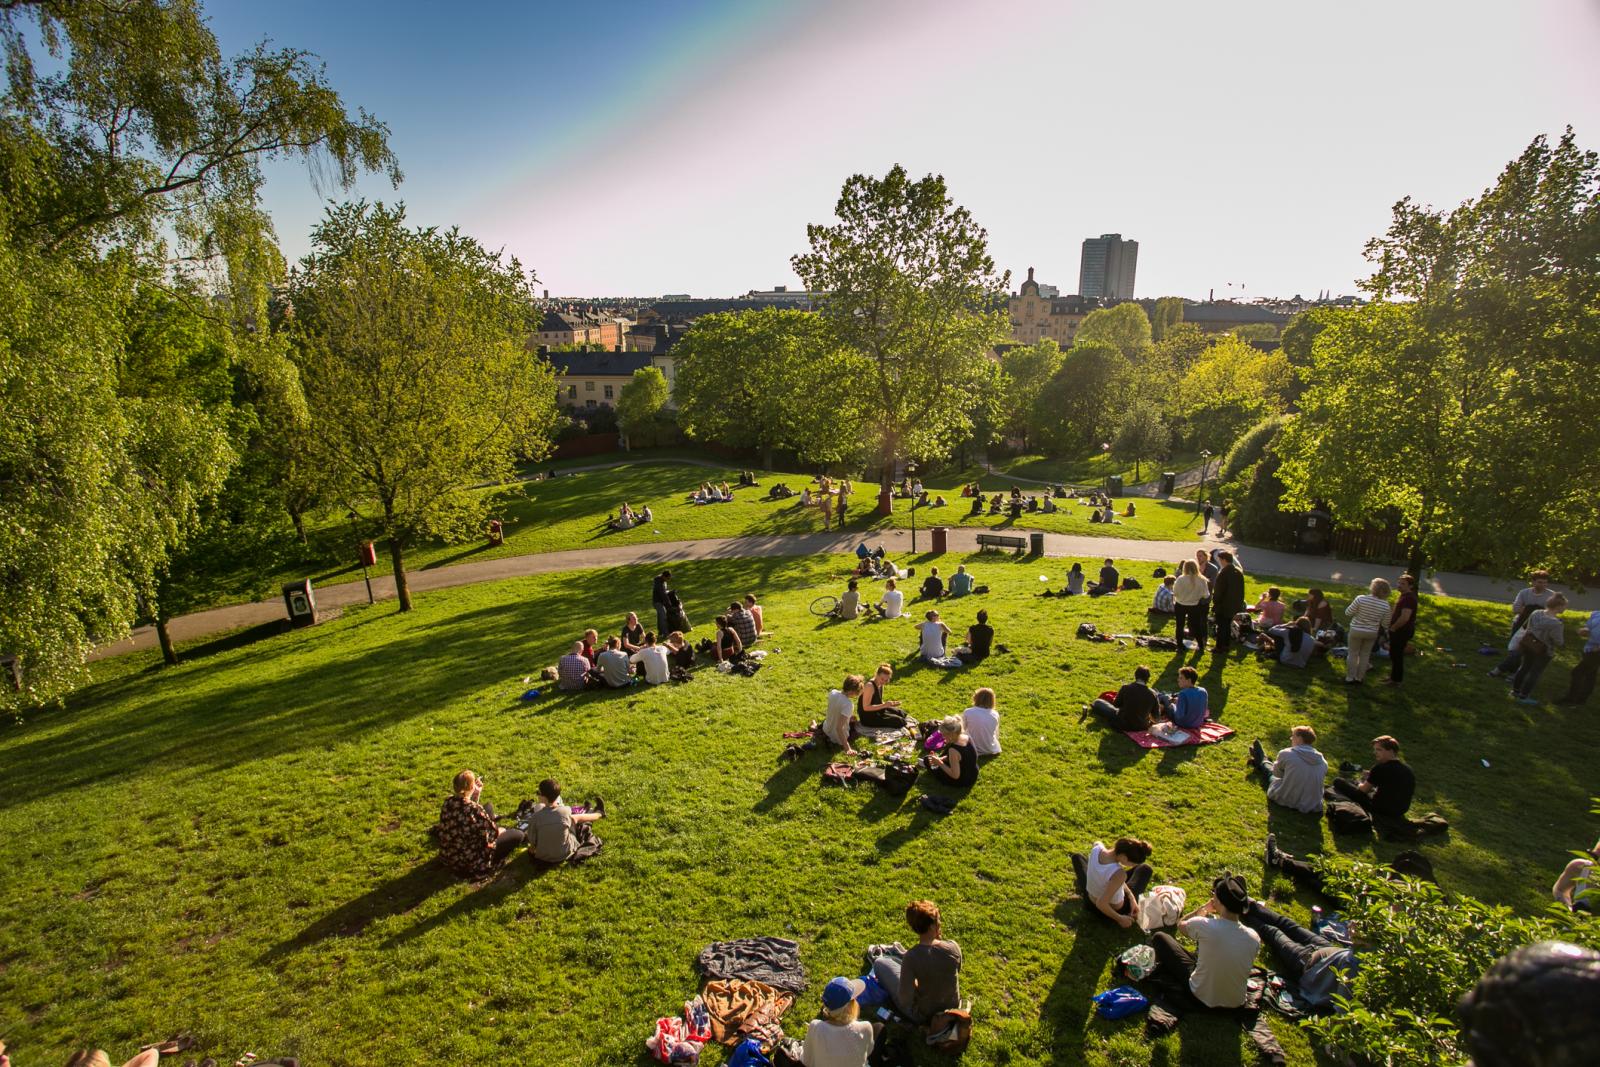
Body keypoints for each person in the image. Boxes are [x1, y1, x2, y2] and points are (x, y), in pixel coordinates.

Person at [1149, 875, 1261, 1010]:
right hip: (1236, 1003)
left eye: (1214, 895)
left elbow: (1181, 925)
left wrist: (1203, 909)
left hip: (1200, 996)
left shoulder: (1204, 925)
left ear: (1218, 901)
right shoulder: (1254, 937)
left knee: (1160, 937)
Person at [1240, 899, 1358, 1012]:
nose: (1351, 927)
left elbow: (1342, 1008)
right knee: (1287, 924)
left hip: (1308, 964)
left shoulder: (1352, 967)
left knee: (1272, 932)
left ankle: (1236, 908)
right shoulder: (1369, 952)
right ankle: (1246, 901)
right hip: (1330, 950)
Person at [870, 901, 963, 1026]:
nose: (940, 923)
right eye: (938, 920)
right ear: (931, 927)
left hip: (924, 1015)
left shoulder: (912, 957)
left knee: (880, 963)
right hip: (953, 1007)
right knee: (901, 963)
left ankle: (889, 959)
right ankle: (897, 958)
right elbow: (955, 970)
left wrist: (914, 984)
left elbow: (905, 1000)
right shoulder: (953, 947)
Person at [438, 770, 524, 877]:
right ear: (470, 787)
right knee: (518, 834)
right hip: (471, 859)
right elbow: (493, 833)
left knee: (488, 807)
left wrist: (476, 793)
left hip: (451, 853)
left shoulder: (448, 801)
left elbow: (469, 814)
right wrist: (501, 830)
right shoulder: (474, 809)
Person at [1072, 837, 1155, 929]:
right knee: (1145, 869)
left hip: (1090, 900)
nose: (1133, 866)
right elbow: (1101, 903)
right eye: (1133, 863)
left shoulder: (1097, 848)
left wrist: (1132, 898)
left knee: (1078, 857)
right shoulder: (1119, 874)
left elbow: (1097, 843)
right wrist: (1120, 919)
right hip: (1110, 910)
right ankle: (1117, 914)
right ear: (1124, 857)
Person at [1330, 735, 1415, 821]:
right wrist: (1372, 777)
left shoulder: (1380, 768)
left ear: (1391, 751)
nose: (1375, 752)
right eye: (1375, 750)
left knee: (1338, 781)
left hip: (1381, 809)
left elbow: (1362, 791)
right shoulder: (1408, 769)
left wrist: (1359, 784)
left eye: (1379, 750)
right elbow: (1392, 783)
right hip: (1401, 810)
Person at [1490, 570, 1555, 679]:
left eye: (1545, 583)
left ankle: (1512, 673)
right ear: (1533, 582)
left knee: (1529, 651)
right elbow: (1516, 609)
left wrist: (1528, 610)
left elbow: (1552, 612)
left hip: (1538, 627)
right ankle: (1511, 670)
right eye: (1540, 582)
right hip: (1520, 624)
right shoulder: (1524, 593)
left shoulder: (1551, 595)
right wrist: (1534, 611)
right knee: (1514, 649)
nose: (1543, 585)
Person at [1249, 726, 1328, 814]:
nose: (1291, 738)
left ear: (1299, 738)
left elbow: (1277, 774)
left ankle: (1263, 760)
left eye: (1293, 736)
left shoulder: (1287, 753)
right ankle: (1264, 760)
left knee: (1271, 774)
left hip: (1287, 799)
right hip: (1311, 805)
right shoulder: (1323, 762)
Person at [801, 977, 876, 1067]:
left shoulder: (816, 1027)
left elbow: (806, 1060)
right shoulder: (866, 1027)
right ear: (851, 1004)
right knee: (879, 1028)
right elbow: (869, 1052)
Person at [528, 778, 605, 865]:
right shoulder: (566, 811)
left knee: (570, 819)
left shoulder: (535, 817)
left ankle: (597, 813)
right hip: (566, 853)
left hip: (543, 857)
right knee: (575, 819)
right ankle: (599, 813)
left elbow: (532, 842)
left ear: (543, 797)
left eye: (538, 793)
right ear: (558, 797)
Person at [1512, 594, 1567, 704]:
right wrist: (1563, 645)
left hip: (1529, 644)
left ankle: (1515, 691)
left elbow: (1528, 628)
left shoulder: (1536, 613)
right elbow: (1558, 641)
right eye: (1564, 606)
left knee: (1524, 667)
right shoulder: (1556, 623)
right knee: (1535, 673)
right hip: (1544, 650)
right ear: (1558, 606)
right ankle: (1524, 697)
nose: (1565, 608)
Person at [1343, 577, 1393, 683]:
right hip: (1372, 632)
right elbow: (1385, 623)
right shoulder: (1385, 605)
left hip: (1356, 629)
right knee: (1365, 654)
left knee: (1353, 653)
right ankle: (1359, 678)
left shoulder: (1361, 599)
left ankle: (1350, 677)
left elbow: (1348, 612)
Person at [1088, 665, 1161, 732]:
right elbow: (1156, 718)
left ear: (1135, 675)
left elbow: (1115, 705)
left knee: (1098, 702)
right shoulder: (1153, 694)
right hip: (1142, 726)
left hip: (1123, 724)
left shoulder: (1126, 688)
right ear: (1148, 678)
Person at [1555, 607, 1600, 707]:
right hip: (1589, 649)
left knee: (1577, 672)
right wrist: (1583, 631)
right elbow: (1588, 628)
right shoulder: (1596, 614)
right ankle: (1580, 700)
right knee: (1590, 674)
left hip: (1597, 652)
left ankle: (1571, 699)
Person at [925, 715, 978, 788]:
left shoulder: (953, 750)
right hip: (973, 774)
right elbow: (964, 757)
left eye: (944, 735)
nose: (943, 737)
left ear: (950, 735)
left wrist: (939, 763)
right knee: (940, 759)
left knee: (926, 760)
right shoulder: (966, 737)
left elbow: (955, 775)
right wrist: (942, 758)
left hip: (963, 781)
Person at [1385, 574, 1419, 685]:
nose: (1399, 585)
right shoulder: (1404, 596)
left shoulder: (1409, 598)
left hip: (1401, 631)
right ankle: (1393, 677)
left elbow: (1405, 617)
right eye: (1399, 582)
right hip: (1398, 630)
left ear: (1411, 586)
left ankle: (1396, 680)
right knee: (1393, 654)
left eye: (1403, 584)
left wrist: (1393, 628)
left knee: (1397, 655)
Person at [1210, 550, 1245, 651]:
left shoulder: (1224, 573)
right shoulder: (1238, 572)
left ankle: (1219, 646)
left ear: (1224, 560)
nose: (1220, 562)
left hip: (1223, 605)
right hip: (1234, 605)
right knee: (1227, 625)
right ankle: (1226, 645)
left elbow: (1218, 591)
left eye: (1220, 560)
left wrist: (1215, 602)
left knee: (1221, 626)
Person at [1552, 839, 1598, 914]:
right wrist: (1570, 911)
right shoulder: (1579, 867)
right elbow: (1560, 890)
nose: (1594, 861)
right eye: (1593, 855)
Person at [1173, 559, 1210, 652]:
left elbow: (1175, 592)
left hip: (1180, 604)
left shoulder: (1181, 579)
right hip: (1194, 605)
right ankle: (1201, 645)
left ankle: (1180, 645)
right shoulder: (1202, 580)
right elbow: (1206, 595)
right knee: (1196, 626)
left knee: (1179, 626)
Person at [823, 675, 863, 750]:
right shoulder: (848, 704)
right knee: (856, 730)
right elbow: (839, 728)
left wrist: (848, 717)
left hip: (826, 729)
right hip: (837, 737)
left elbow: (835, 710)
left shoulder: (833, 692)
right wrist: (848, 748)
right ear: (852, 692)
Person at [961, 687, 1001, 756]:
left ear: (976, 698)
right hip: (991, 749)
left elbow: (962, 729)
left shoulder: (968, 711)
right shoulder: (995, 713)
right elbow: (996, 733)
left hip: (972, 748)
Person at [652, 570, 674, 634]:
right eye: (668, 578)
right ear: (664, 576)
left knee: (660, 617)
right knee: (663, 616)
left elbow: (665, 591)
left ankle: (660, 632)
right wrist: (669, 604)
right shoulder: (659, 582)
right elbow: (663, 594)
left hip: (660, 602)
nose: (668, 580)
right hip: (657, 602)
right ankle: (665, 632)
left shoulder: (663, 581)